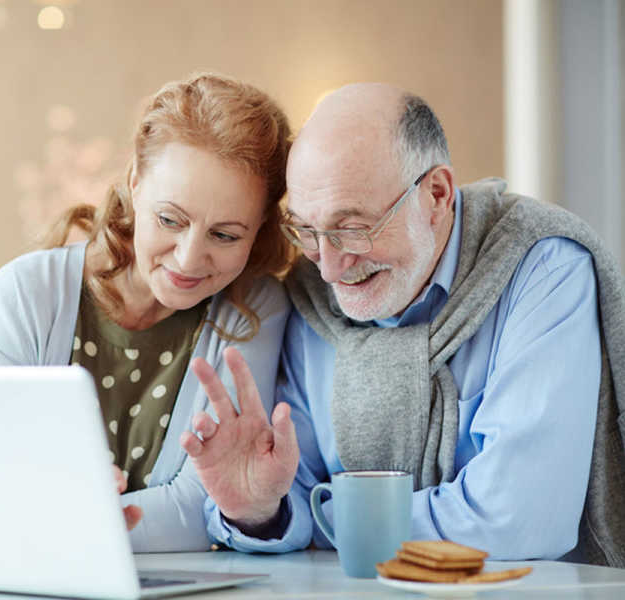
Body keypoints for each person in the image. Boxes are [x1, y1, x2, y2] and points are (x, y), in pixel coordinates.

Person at [180, 83, 625, 567]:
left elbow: (518, 519)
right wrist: (261, 511)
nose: (329, 267)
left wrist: (331, 517)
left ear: (436, 195)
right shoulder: (311, 293)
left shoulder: (543, 268)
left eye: (353, 228)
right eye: (307, 229)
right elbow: (293, 496)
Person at [0, 73, 294, 552]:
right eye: (170, 220)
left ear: (258, 227)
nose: (187, 259)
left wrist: (68, 523)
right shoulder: (28, 292)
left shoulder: (255, 308)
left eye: (225, 235)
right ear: (135, 185)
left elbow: (202, 508)